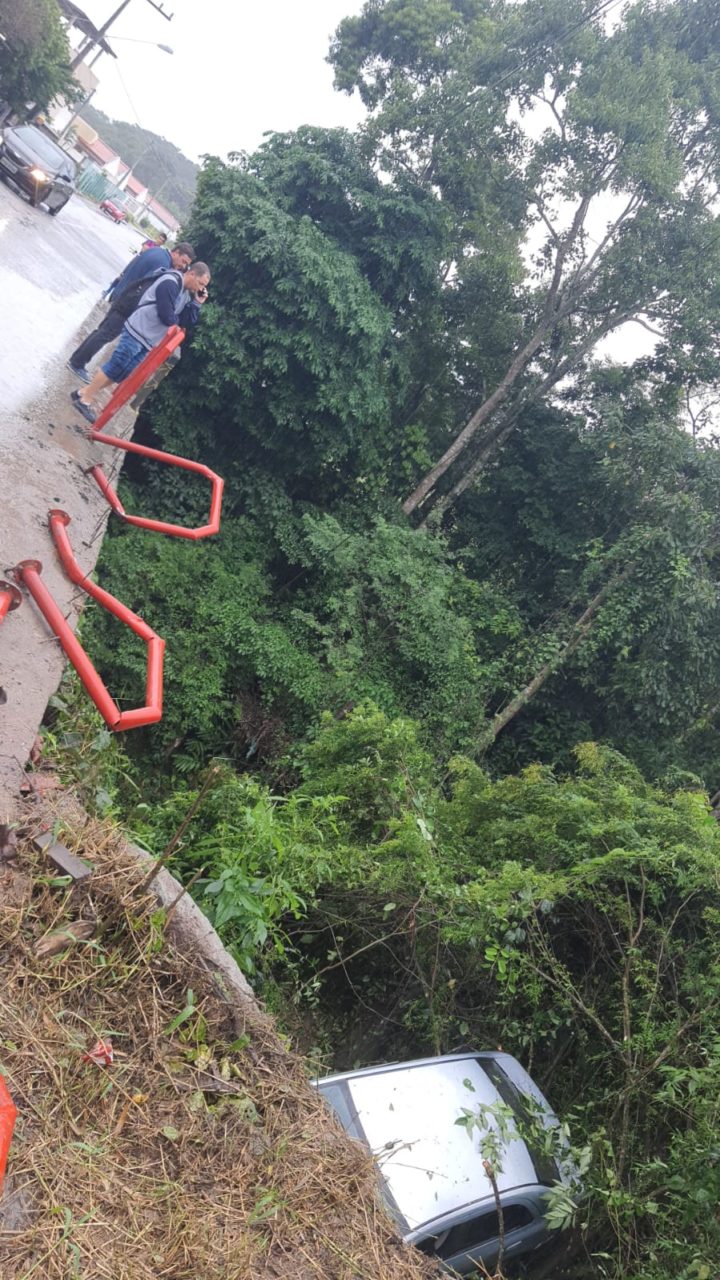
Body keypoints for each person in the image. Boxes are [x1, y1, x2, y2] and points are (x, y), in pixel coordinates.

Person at [70, 261, 211, 425]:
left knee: (121, 373)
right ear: (192, 274)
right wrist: (175, 318)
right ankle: (85, 400)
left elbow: (184, 321)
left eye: (203, 286)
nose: (199, 288)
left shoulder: (185, 294)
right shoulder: (170, 282)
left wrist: (196, 304)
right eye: (200, 283)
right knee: (116, 365)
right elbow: (167, 317)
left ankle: (83, 393)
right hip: (138, 330)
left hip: (149, 339)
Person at [68, 241, 194, 381]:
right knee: (105, 334)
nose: (183, 266)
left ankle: (76, 360)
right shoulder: (163, 263)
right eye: (183, 261)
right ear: (176, 252)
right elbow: (147, 288)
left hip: (123, 293)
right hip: (128, 302)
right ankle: (77, 363)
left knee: (102, 331)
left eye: (186, 264)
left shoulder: (156, 251)